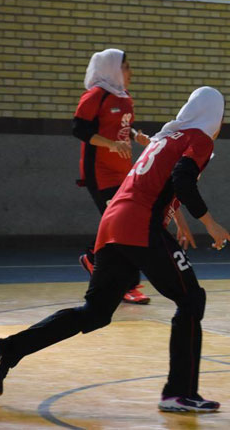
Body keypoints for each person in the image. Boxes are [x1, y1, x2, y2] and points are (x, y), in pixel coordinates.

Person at [0, 86, 230, 413]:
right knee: (190, 298)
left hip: (113, 224)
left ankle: (6, 350)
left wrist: (178, 219)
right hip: (139, 224)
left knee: (96, 312)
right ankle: (179, 393)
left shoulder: (163, 139)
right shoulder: (199, 139)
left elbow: (158, 183)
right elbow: (182, 179)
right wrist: (210, 222)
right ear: (213, 115)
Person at [73, 48, 151, 305]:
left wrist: (134, 136)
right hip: (101, 173)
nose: (129, 72)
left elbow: (119, 129)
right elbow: (80, 130)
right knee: (124, 226)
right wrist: (110, 145)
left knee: (124, 225)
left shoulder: (124, 96)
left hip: (123, 172)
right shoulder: (95, 95)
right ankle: (128, 285)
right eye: (125, 67)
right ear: (112, 68)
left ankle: (94, 260)